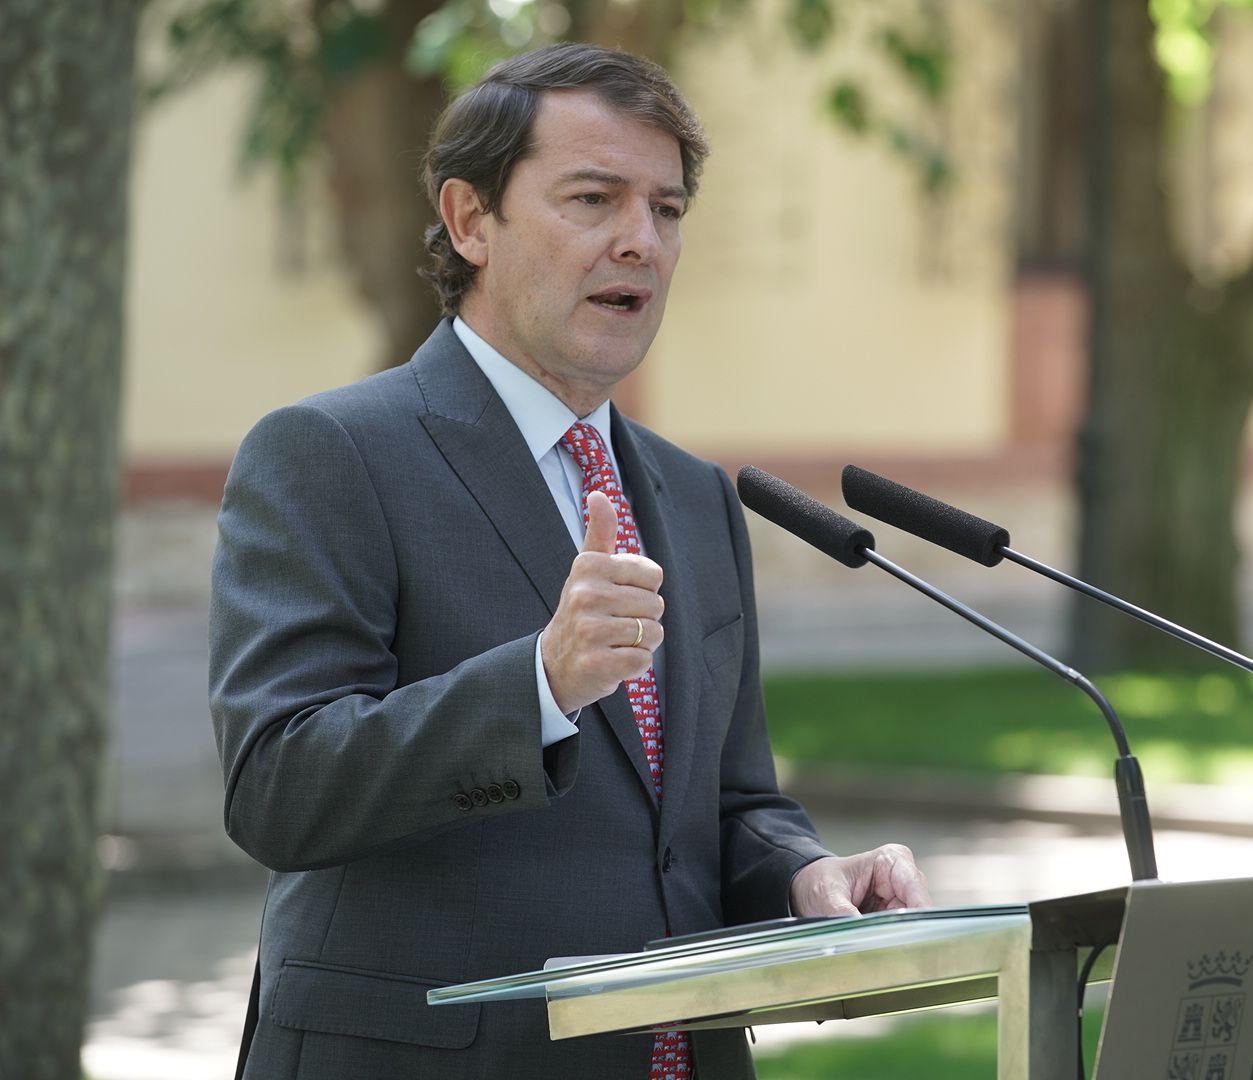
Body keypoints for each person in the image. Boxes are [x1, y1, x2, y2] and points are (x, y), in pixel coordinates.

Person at [209, 42, 929, 1080]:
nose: (639, 240)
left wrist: (802, 873)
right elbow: (276, 788)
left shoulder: (692, 497)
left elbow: (722, 809)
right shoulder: (330, 454)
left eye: (667, 209)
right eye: (593, 199)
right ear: (470, 221)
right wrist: (537, 685)